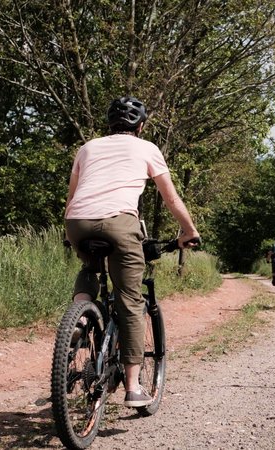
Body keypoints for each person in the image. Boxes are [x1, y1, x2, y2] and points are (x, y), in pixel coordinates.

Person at [64, 96, 200, 408]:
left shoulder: (87, 148)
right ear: (140, 126)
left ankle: (81, 321)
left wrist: (70, 233)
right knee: (129, 300)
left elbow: (71, 197)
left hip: (77, 222)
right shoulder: (147, 148)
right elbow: (171, 199)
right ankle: (134, 387)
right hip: (120, 224)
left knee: (89, 269)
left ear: (110, 125)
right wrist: (189, 230)